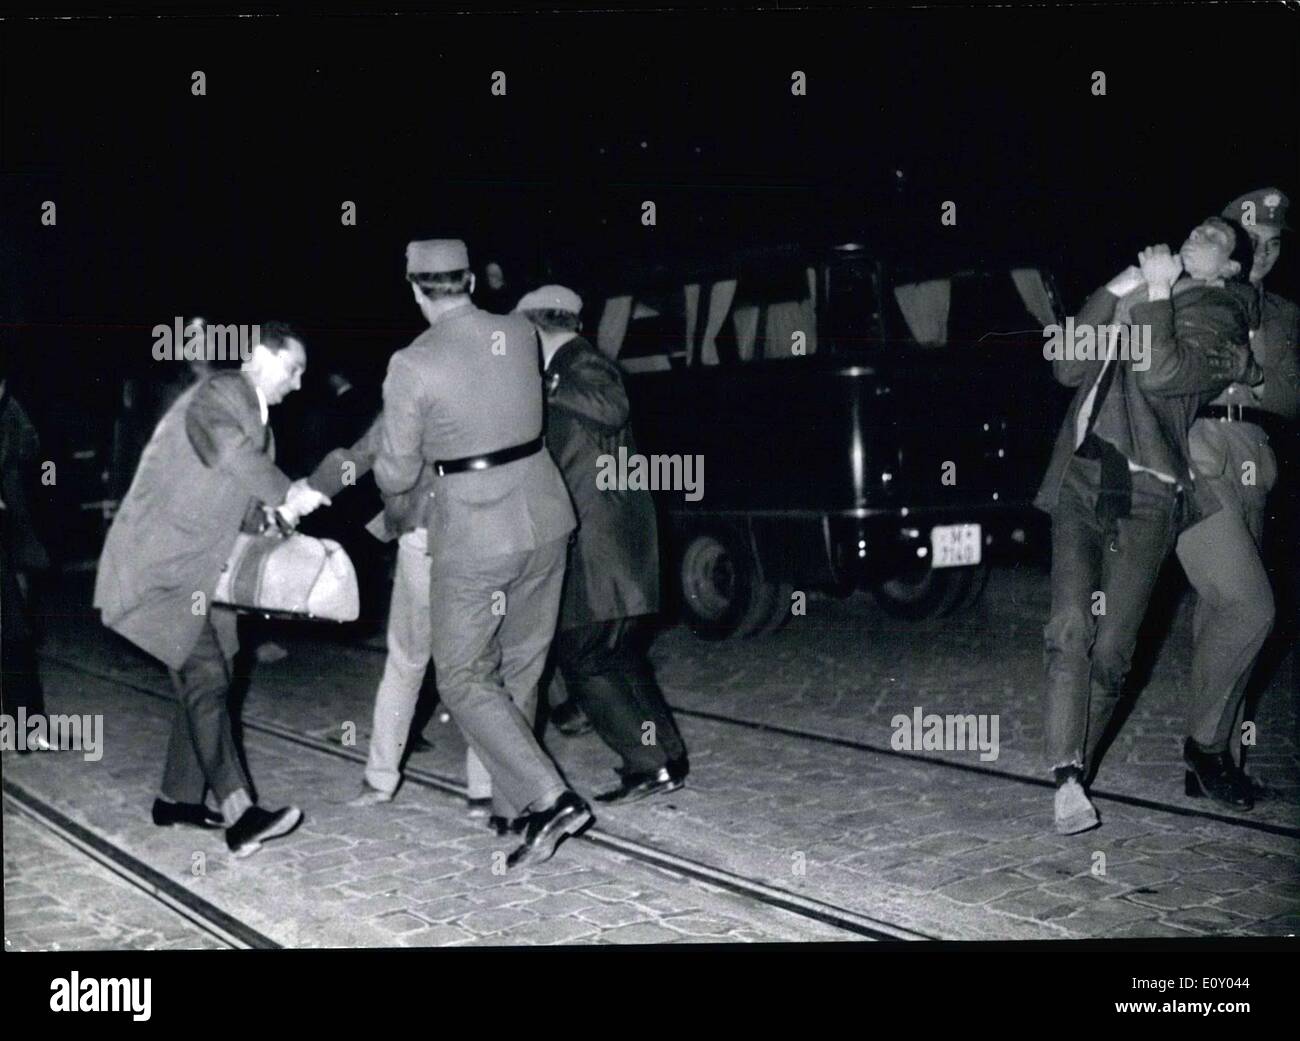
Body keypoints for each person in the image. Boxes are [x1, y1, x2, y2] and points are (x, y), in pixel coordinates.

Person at [1035, 217, 1260, 835]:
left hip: (1149, 495)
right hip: (1082, 474)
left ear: (1230, 267)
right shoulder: (1137, 293)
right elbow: (1063, 364)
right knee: (1069, 626)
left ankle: (1078, 758)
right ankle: (1067, 777)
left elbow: (1163, 374)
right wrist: (1122, 283)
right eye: (1196, 229)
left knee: (1111, 652)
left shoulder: (1224, 319)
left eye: (1216, 237)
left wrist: (1159, 295)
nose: (1198, 235)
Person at [372, 239, 589, 868]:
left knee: (463, 675)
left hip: (474, 532)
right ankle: (511, 808)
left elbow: (394, 469)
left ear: (414, 288)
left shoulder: (412, 363)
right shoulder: (519, 334)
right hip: (546, 516)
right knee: (521, 668)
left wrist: (400, 479)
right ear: (469, 278)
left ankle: (548, 798)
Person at [93, 322, 327, 856]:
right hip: (160, 567)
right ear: (262, 359)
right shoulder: (221, 393)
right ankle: (239, 813)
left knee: (218, 664)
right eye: (294, 369)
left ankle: (177, 798)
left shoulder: (260, 425)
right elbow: (227, 454)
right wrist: (286, 492)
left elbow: (240, 502)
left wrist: (274, 520)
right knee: (205, 673)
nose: (298, 383)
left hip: (200, 571)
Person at [466, 286, 687, 824]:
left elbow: (610, 408)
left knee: (583, 654)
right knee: (615, 652)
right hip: (605, 535)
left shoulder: (580, 363)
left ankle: (649, 758)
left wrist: (544, 386)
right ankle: (662, 760)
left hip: (599, 537)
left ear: (538, 329)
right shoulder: (569, 368)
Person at [1175, 188, 1300, 808]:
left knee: (1221, 613)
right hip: (1196, 452)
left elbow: (1290, 396)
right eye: (1253, 243)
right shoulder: (1191, 292)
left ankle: (1217, 762)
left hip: (1254, 460)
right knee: (1253, 606)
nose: (1264, 255)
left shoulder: (1282, 312)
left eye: (1275, 245)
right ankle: (1203, 748)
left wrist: (1250, 366)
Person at [1, 357, 52, 747]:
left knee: (16, 630)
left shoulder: (12, 414)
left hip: (11, 538)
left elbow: (34, 455)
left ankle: (26, 729)